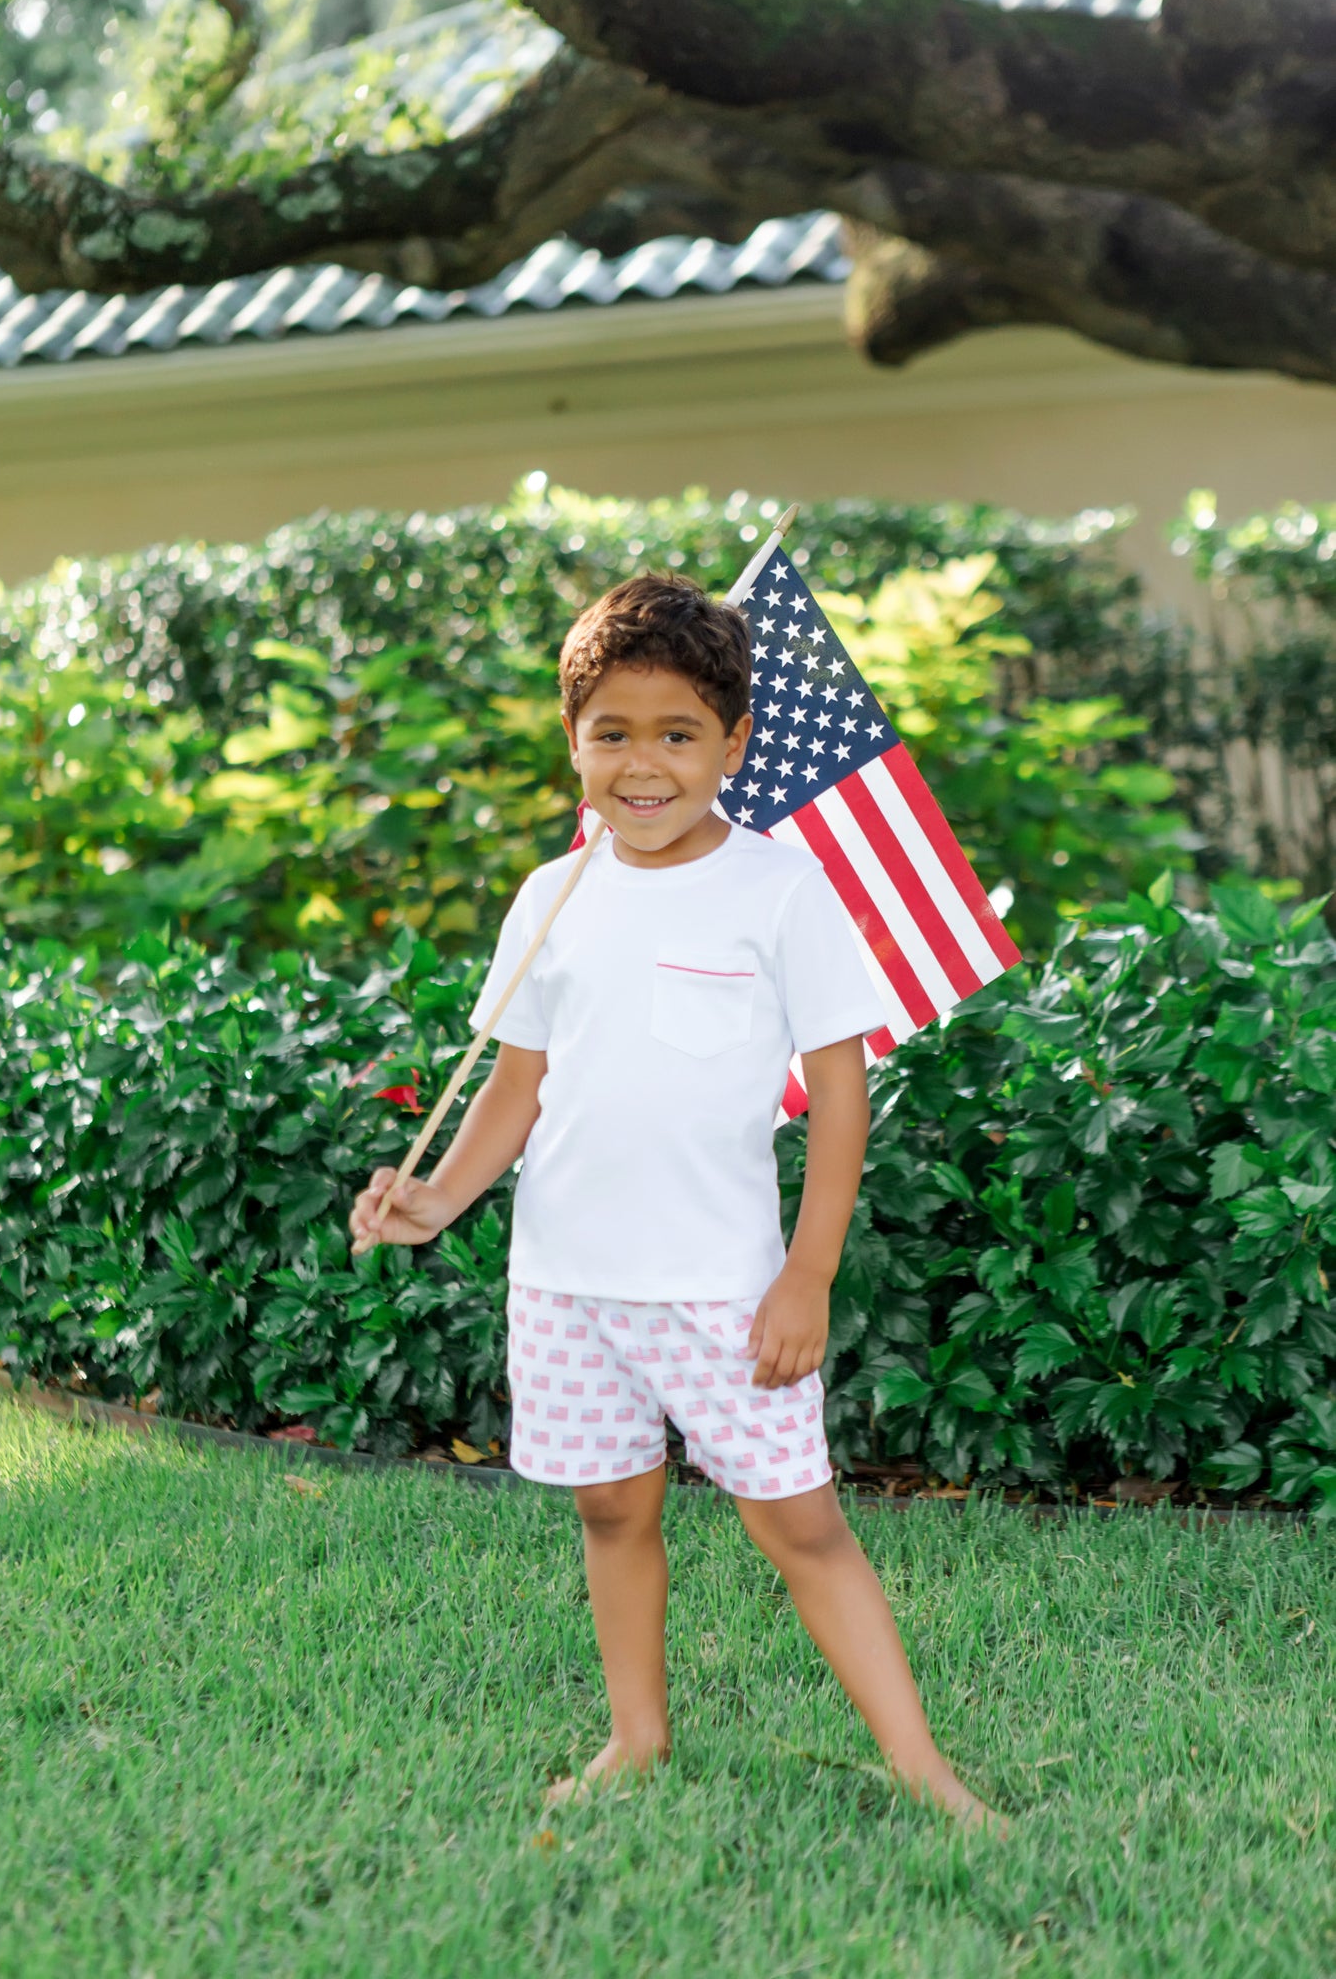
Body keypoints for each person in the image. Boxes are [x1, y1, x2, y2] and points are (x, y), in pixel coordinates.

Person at [350, 573, 1003, 1830]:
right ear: (573, 742)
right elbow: (517, 1085)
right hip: (566, 1278)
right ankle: (637, 1736)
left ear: (734, 745)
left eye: (677, 734)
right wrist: (434, 1198)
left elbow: (840, 1090)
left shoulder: (779, 891)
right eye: (612, 733)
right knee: (612, 1505)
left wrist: (806, 1274)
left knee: (800, 1525)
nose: (641, 764)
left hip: (723, 1287)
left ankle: (926, 1769)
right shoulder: (552, 900)